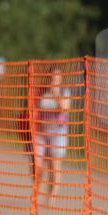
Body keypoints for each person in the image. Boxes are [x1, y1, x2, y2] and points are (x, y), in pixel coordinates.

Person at [35, 71, 72, 201]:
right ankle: (37, 192)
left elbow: (64, 109)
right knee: (38, 164)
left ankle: (52, 196)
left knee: (54, 166)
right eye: (52, 77)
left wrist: (56, 94)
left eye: (56, 77)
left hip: (58, 133)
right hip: (42, 132)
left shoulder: (64, 92)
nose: (53, 79)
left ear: (60, 78)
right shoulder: (43, 92)